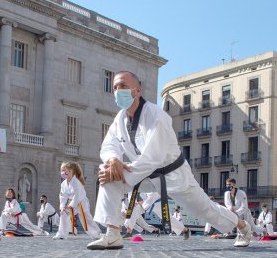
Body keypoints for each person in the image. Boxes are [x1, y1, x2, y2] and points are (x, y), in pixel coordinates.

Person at [87, 71, 252, 250]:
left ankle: (242, 227)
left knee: (204, 208)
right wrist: (113, 161)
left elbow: (153, 157)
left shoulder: (156, 115)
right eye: (115, 88)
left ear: (137, 90)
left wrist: (122, 170)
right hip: (144, 175)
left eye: (124, 86)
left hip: (173, 175)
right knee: (108, 173)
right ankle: (112, 234)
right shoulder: (120, 118)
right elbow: (109, 145)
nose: (119, 91)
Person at [53, 162, 101, 240]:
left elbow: (77, 196)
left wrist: (70, 205)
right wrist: (62, 206)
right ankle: (61, 234)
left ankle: (97, 234)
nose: (62, 173)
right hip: (71, 202)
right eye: (61, 170)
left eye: (64, 170)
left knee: (85, 220)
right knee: (63, 214)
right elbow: (62, 196)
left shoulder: (76, 182)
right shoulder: (63, 184)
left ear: (71, 171)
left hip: (81, 203)